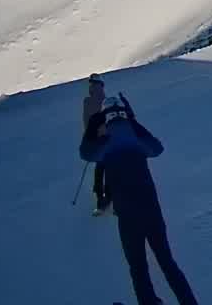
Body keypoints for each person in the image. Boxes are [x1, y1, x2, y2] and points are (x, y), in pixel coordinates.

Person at [80, 97, 200, 305]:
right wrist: (134, 123)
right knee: (167, 262)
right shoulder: (135, 139)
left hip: (127, 215)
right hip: (151, 210)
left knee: (138, 267)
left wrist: (92, 125)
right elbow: (157, 148)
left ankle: (149, 302)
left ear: (105, 117)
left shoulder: (106, 143)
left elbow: (86, 153)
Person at [82, 74, 110, 214]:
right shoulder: (104, 101)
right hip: (106, 138)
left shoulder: (87, 101)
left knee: (100, 167)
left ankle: (100, 197)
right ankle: (110, 197)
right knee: (109, 166)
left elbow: (87, 122)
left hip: (95, 139)